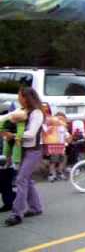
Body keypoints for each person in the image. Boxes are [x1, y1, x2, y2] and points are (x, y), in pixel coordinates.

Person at [4, 88, 45, 227]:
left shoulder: (37, 113)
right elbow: (6, 117)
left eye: (20, 96)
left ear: (26, 97)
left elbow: (31, 133)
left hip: (34, 151)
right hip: (22, 149)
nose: (18, 99)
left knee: (21, 179)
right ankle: (36, 207)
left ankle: (17, 214)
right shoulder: (23, 111)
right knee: (26, 179)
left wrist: (14, 136)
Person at [43, 112, 70, 182]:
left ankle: (60, 172)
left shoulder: (63, 127)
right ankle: (52, 174)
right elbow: (46, 135)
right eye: (58, 118)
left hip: (62, 146)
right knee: (53, 161)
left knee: (62, 160)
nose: (59, 120)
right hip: (53, 146)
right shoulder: (51, 127)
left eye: (61, 119)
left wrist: (67, 140)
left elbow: (66, 136)